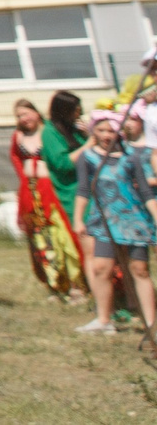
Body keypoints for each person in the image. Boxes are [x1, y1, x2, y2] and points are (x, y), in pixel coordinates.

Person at [76, 108, 157, 338]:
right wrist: (78, 218)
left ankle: (151, 323)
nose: (106, 135)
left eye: (111, 130)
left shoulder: (131, 157)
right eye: (101, 130)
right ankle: (104, 319)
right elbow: (83, 190)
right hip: (104, 220)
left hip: (133, 220)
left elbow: (145, 191)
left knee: (140, 270)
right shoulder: (89, 157)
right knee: (102, 268)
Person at [11, 99, 86, 303]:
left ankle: (75, 283)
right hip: (31, 192)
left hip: (51, 190)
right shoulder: (18, 137)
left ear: (36, 112)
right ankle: (54, 284)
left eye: (26, 113)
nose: (23, 119)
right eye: (19, 116)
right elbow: (17, 161)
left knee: (62, 235)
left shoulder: (50, 133)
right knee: (41, 239)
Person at [45, 91, 89, 225]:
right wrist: (90, 143)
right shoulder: (50, 132)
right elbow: (63, 163)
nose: (79, 116)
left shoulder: (74, 130)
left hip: (87, 187)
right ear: (64, 111)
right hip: (71, 192)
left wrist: (87, 134)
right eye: (76, 112)